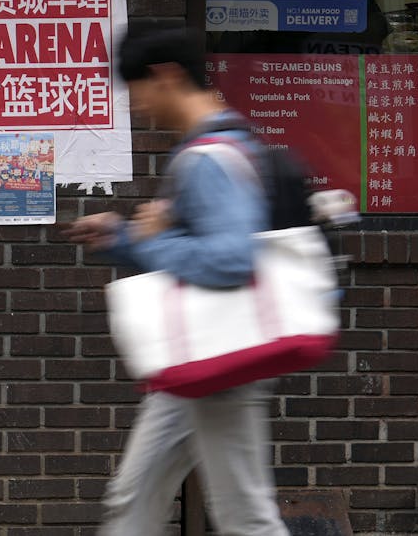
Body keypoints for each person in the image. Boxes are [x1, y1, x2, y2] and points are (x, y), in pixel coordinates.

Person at [63, 26, 289, 536]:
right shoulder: (218, 148)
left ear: (166, 77)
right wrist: (125, 236)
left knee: (244, 517)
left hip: (223, 357)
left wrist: (144, 239)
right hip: (200, 356)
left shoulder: (208, 159)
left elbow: (231, 259)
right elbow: (197, 247)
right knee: (134, 496)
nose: (136, 106)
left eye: (135, 89)